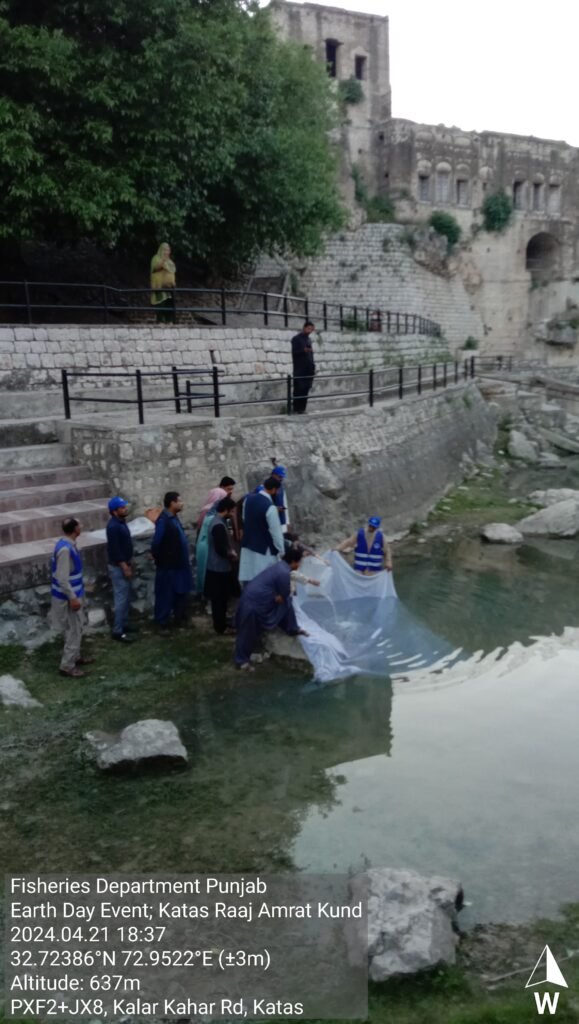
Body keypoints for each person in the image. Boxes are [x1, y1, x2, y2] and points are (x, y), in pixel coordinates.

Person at [234, 547, 309, 670]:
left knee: (285, 602)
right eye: (300, 562)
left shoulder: (280, 566)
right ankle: (241, 661)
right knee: (247, 633)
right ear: (294, 562)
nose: (300, 565)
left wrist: (279, 596)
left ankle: (292, 628)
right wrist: (280, 596)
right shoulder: (284, 573)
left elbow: (281, 596)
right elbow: (285, 596)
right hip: (254, 605)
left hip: (251, 599)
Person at [50, 518, 92, 678]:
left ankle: (75, 656)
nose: (81, 526)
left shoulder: (66, 544)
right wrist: (73, 598)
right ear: (75, 529)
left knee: (77, 626)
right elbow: (62, 578)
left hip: (72, 594)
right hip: (67, 598)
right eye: (79, 525)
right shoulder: (65, 550)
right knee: (73, 630)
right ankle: (67, 665)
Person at [151, 491, 193, 628]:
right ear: (172, 503)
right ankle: (161, 621)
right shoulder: (164, 520)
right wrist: (161, 559)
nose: (182, 503)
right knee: (165, 594)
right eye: (179, 501)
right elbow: (157, 543)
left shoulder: (173, 518)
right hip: (169, 565)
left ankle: (179, 617)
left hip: (179, 563)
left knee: (180, 591)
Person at [239, 476, 285, 585]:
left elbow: (245, 519)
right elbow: (276, 533)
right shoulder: (270, 508)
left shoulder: (247, 500)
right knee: (264, 583)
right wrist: (282, 551)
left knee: (250, 581)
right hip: (264, 550)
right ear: (274, 490)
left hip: (248, 545)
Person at [204, 496, 239, 635]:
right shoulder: (218, 525)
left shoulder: (219, 521)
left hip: (217, 566)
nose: (232, 514)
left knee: (221, 599)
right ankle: (221, 627)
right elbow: (220, 548)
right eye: (232, 511)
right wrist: (231, 554)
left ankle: (222, 623)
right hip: (219, 568)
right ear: (226, 510)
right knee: (219, 600)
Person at [106, 496, 135, 643]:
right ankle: (118, 630)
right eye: (122, 508)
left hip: (125, 564)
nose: (125, 509)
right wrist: (125, 567)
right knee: (121, 598)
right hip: (118, 567)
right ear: (115, 511)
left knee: (126, 596)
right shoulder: (113, 527)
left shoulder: (121, 523)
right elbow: (115, 550)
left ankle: (124, 624)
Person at [291, 320, 316, 414]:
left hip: (308, 369)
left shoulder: (308, 340)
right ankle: (296, 409)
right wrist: (303, 350)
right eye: (309, 328)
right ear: (304, 327)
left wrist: (313, 366)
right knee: (298, 389)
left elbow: (311, 355)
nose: (310, 331)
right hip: (299, 369)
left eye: (312, 329)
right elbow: (295, 352)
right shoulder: (296, 339)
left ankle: (302, 409)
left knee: (306, 390)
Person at [257, 464, 290, 532]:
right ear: (273, 475)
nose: (281, 479)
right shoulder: (261, 490)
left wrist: (287, 522)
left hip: (281, 521)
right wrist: (274, 509)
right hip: (269, 523)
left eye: (282, 477)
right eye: (279, 477)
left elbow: (284, 503)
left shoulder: (281, 489)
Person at [150, 242, 176, 324]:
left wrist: (173, 282)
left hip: (169, 287)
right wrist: (163, 261)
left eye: (168, 250)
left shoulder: (170, 261)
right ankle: (160, 321)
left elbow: (172, 271)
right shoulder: (156, 258)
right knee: (161, 303)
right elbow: (155, 268)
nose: (166, 252)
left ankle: (170, 321)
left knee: (170, 305)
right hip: (159, 286)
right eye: (164, 250)